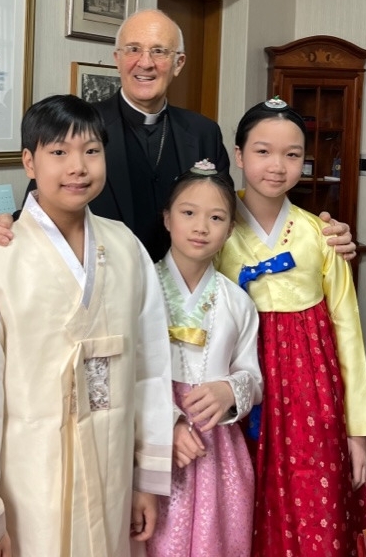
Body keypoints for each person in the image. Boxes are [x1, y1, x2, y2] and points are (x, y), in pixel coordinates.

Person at [0, 94, 173, 557]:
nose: (78, 167)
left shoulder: (126, 247)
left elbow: (151, 369)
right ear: (29, 162)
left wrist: (146, 480)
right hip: (30, 482)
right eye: (58, 152)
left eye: (91, 151)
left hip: (111, 472)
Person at [0, 9, 357, 262]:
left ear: (178, 63)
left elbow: (232, 214)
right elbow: (41, 207)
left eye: (159, 51)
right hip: (105, 287)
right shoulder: (85, 127)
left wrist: (316, 234)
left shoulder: (203, 132)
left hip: (187, 293)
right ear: (117, 58)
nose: (146, 63)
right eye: (134, 50)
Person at [216, 97, 366, 556]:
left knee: (317, 504)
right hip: (238, 386)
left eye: (292, 155)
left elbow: (348, 334)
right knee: (238, 505)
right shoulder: (213, 227)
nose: (277, 166)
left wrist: (358, 431)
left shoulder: (320, 234)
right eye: (263, 151)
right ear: (238, 154)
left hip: (312, 393)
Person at [146, 161, 263, 557]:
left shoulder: (238, 302)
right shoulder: (139, 290)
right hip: (151, 437)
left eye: (216, 217)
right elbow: (126, 375)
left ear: (230, 229)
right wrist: (167, 422)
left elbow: (254, 376)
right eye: (188, 213)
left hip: (217, 448)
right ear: (166, 218)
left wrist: (230, 390)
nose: (201, 227)